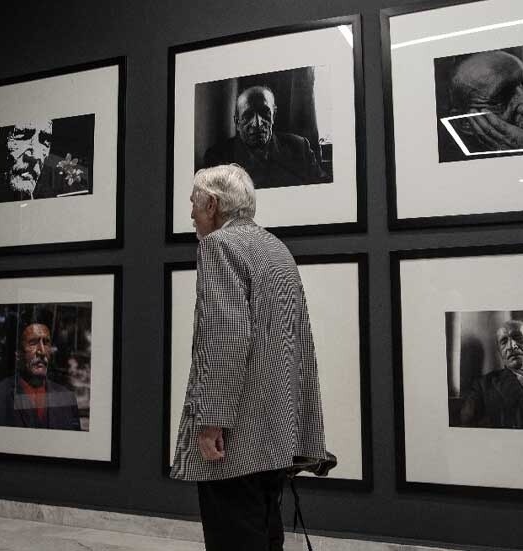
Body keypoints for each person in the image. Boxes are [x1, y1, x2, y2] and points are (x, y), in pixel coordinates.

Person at [170, 164, 326, 550]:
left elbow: (225, 338)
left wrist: (211, 422)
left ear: (212, 202)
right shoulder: (277, 249)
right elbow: (295, 344)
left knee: (234, 538)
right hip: (276, 432)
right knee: (267, 533)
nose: (191, 214)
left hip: (236, 436)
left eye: (193, 203)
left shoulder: (219, 246)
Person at [202, 86, 327, 189]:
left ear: (274, 115)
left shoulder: (300, 147)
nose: (257, 123)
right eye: (248, 115)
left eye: (265, 113)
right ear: (237, 122)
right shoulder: (217, 158)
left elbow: (322, 188)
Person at [0, 306, 81, 431]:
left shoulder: (67, 398)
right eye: (33, 342)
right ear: (18, 353)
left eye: (46, 342)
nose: (41, 351)